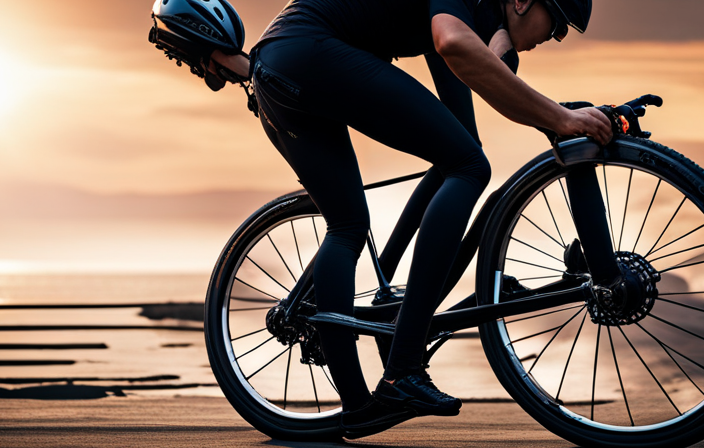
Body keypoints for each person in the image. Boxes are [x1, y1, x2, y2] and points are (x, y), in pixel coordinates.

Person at [157, 0, 612, 439]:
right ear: (521, 0)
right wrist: (560, 117)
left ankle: (359, 403)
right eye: (556, 24)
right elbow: (454, 44)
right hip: (308, 52)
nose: (553, 38)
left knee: (373, 209)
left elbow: (491, 81)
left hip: (285, 64)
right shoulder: (454, 21)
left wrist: (571, 118)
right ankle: (403, 368)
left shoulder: (468, 20)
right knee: (468, 167)